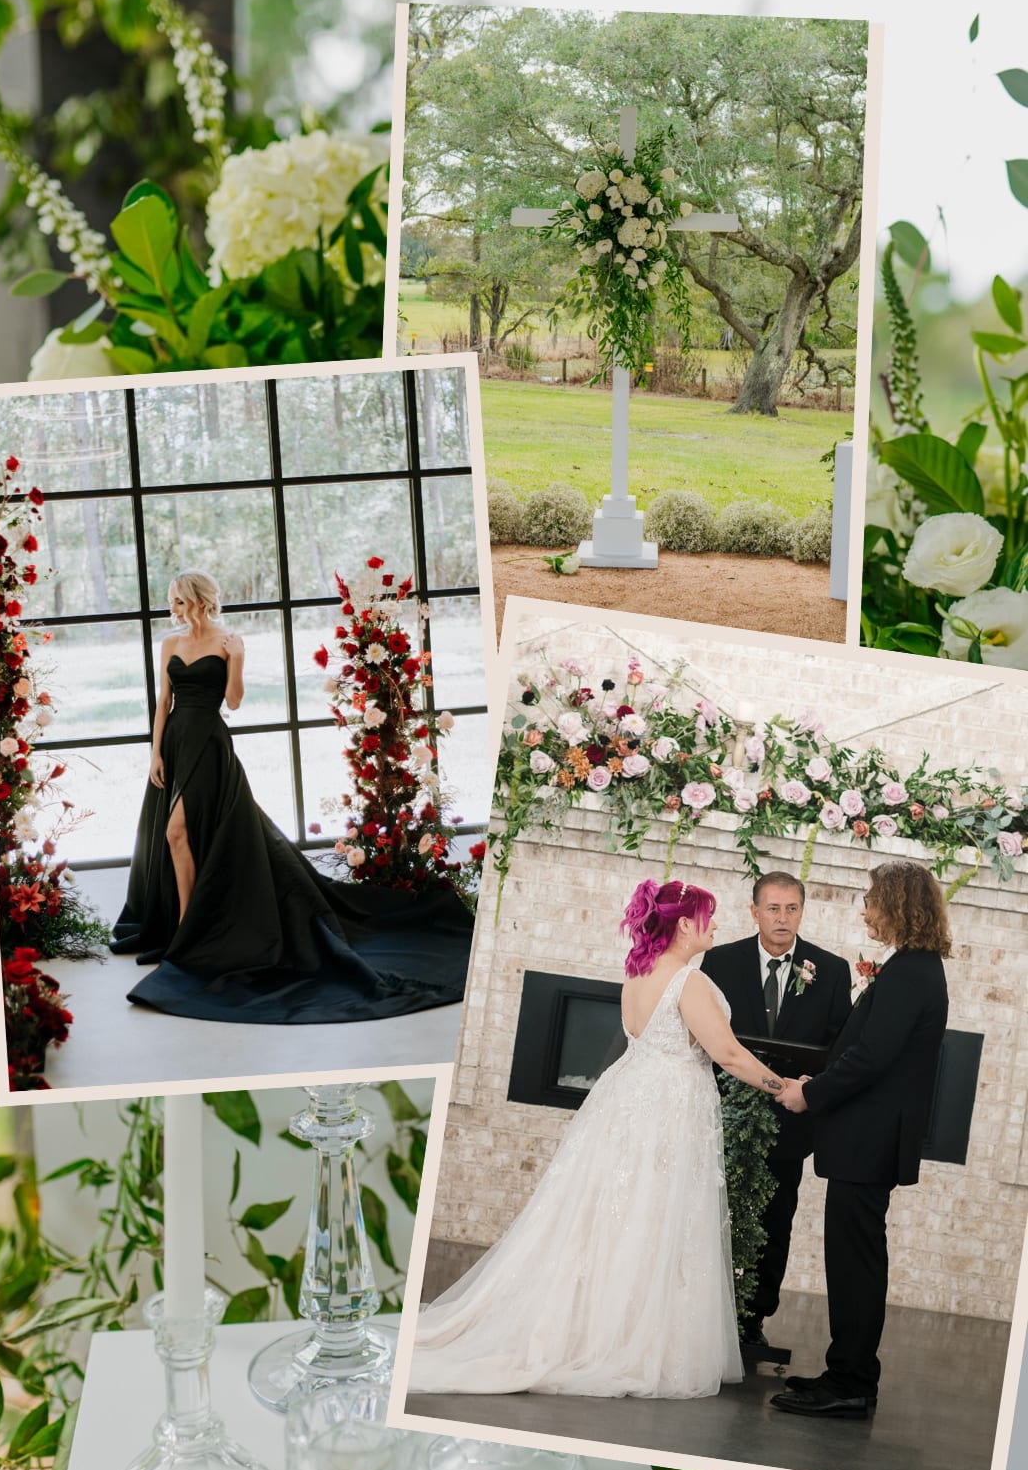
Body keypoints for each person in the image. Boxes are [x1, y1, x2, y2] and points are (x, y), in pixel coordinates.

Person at [408, 877, 788, 1400]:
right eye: (709, 916)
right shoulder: (688, 982)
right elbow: (727, 1054)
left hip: (627, 1098)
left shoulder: (639, 971)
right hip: (665, 1108)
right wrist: (783, 1086)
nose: (716, 925)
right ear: (684, 925)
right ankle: (624, 1338)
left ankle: (597, 1323)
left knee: (614, 1215)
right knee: (651, 1213)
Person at [109, 570, 472, 1024]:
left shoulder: (228, 642)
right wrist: (154, 754)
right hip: (176, 744)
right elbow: (163, 702)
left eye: (181, 602)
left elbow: (235, 701)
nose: (175, 610)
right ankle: (185, 927)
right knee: (180, 837)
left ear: (200, 601)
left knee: (177, 831)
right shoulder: (169, 644)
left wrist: (237, 658)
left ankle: (186, 933)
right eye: (172, 602)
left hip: (209, 743)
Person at [769, 861, 951, 1421]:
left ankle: (850, 1381)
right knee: (855, 1258)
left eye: (871, 899)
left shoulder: (911, 974)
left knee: (856, 1262)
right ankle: (847, 1373)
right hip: (866, 1138)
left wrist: (811, 1094)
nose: (864, 908)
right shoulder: (912, 969)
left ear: (897, 904)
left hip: (868, 1140)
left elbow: (871, 1059)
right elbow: (864, 1050)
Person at [701, 871, 851, 1353]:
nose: (782, 918)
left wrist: (808, 1085)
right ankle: (705, 1308)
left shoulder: (830, 969)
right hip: (723, 1111)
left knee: (775, 1217)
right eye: (773, 909)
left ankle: (753, 1318)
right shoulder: (719, 961)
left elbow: (837, 1046)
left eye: (791, 909)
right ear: (754, 911)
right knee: (711, 1210)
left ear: (802, 913)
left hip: (791, 1120)